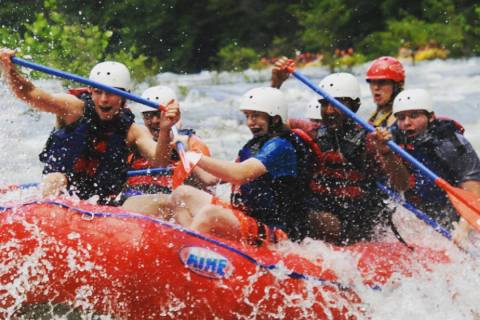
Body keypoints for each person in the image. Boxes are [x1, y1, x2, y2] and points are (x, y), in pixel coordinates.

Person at [0, 48, 179, 204]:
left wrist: (164, 129)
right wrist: (10, 70)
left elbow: (160, 162)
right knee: (55, 179)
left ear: (124, 97)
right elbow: (31, 94)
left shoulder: (132, 131)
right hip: (62, 193)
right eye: (98, 92)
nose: (103, 99)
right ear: (90, 91)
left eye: (111, 93)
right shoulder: (73, 109)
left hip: (102, 202)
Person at [165, 87, 315, 245]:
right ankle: (191, 250)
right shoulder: (256, 145)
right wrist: (184, 148)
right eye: (248, 116)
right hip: (248, 217)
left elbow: (240, 174)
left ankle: (184, 249)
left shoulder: (281, 146)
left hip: (277, 233)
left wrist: (195, 156)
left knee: (211, 213)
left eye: (256, 116)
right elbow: (210, 179)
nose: (250, 122)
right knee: (181, 195)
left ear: (275, 119)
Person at [298, 73, 410, 245]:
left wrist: (387, 153)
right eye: (324, 104)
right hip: (323, 211)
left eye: (337, 104)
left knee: (317, 218)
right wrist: (277, 83)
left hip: (359, 222)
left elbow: (401, 184)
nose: (329, 111)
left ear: (355, 105)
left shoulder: (370, 139)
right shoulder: (312, 131)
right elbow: (275, 123)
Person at [391, 88, 480, 228]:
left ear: (431, 117)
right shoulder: (393, 140)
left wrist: (463, 228)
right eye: (401, 118)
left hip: (455, 208)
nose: (407, 123)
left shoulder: (452, 144)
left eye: (414, 115)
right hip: (423, 207)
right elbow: (401, 185)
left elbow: (473, 192)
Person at [120, 85, 211, 215]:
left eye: (159, 115)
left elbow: (208, 182)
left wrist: (186, 152)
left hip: (172, 201)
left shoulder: (190, 142)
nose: (155, 121)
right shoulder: (138, 138)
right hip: (134, 198)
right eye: (148, 116)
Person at [365, 56, 405, 128]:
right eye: (373, 82)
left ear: (398, 85)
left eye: (382, 82)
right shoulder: (377, 114)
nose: (376, 87)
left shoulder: (402, 117)